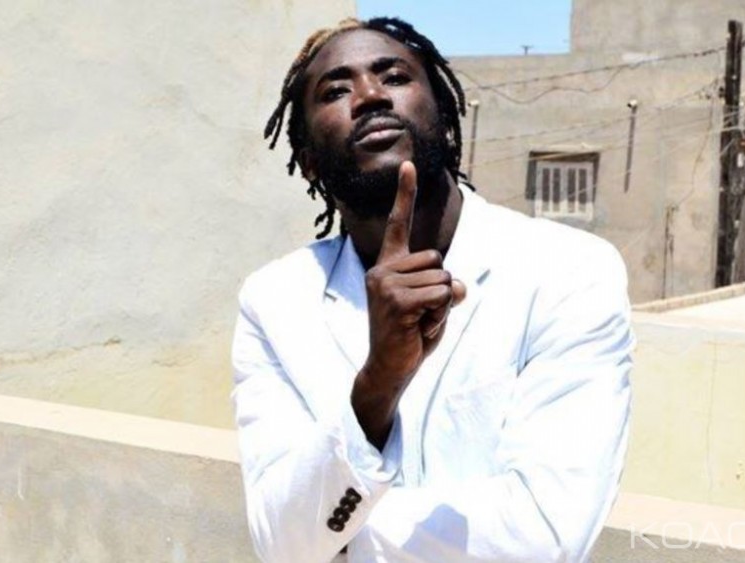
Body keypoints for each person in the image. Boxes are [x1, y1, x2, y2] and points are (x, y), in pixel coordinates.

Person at [232, 17, 634, 563]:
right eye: (336, 91)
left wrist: (337, 540)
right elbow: (279, 543)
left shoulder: (567, 270)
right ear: (308, 162)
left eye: (394, 76)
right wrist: (377, 385)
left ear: (444, 118)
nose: (370, 96)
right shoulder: (275, 300)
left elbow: (545, 534)